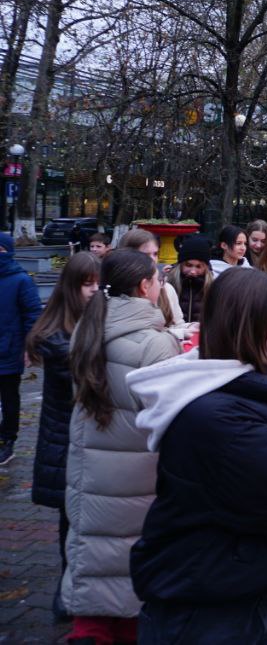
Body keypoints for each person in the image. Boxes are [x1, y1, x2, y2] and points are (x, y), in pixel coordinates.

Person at [128, 267, 267, 643]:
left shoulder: (220, 396)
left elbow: (237, 457)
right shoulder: (216, 411)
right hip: (215, 609)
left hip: (235, 589)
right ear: (242, 325)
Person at [63, 249, 182, 643]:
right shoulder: (155, 344)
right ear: (145, 286)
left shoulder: (88, 327)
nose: (163, 285)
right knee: (132, 576)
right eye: (159, 279)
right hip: (138, 478)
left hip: (90, 472)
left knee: (93, 562)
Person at [27, 251, 99, 620]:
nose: (94, 290)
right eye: (87, 284)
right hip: (66, 444)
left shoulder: (88, 324)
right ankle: (67, 589)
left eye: (97, 283)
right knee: (71, 521)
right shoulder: (57, 338)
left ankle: (76, 588)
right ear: (71, 287)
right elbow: (85, 380)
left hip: (83, 443)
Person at [0, 232, 42, 466]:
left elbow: (32, 315)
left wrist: (30, 346)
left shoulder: (21, 280)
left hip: (9, 349)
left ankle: (8, 440)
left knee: (9, 398)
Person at [117, 229, 196, 344]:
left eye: (155, 254)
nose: (152, 260)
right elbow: (135, 336)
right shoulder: (119, 291)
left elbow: (176, 324)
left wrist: (190, 326)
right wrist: (178, 335)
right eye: (145, 255)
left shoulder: (166, 288)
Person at [167, 235, 213, 326]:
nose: (192, 271)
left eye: (198, 266)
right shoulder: (170, 282)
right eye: (188, 265)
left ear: (205, 267)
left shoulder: (212, 286)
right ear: (181, 264)